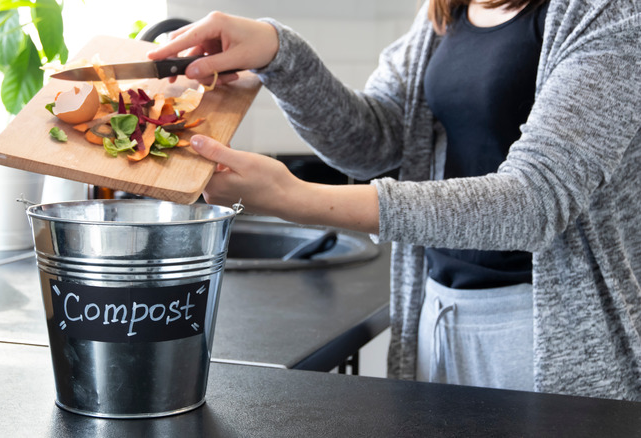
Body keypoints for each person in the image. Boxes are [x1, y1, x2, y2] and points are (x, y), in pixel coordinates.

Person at [147, 0, 641, 400]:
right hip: (436, 312)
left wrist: (291, 197)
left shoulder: (610, 13)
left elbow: (535, 202)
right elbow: (373, 143)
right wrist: (279, 52)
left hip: (550, 335)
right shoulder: (446, 13)